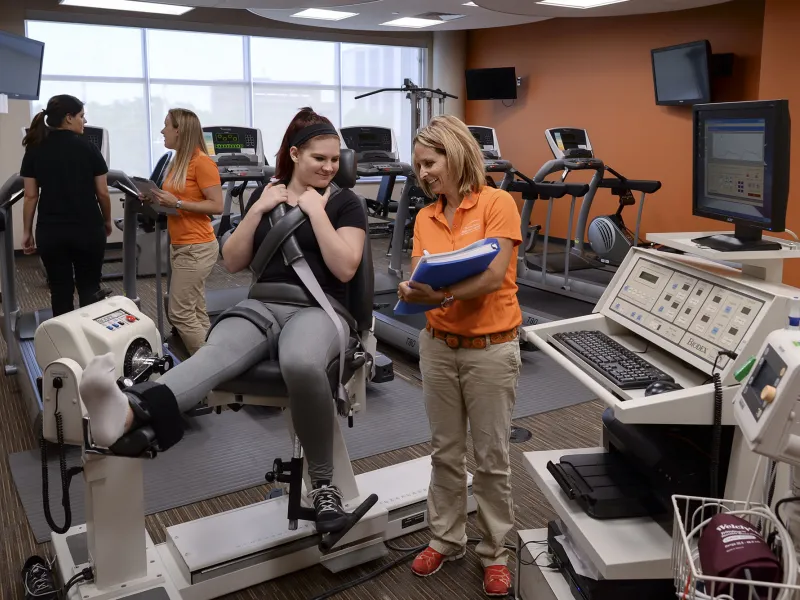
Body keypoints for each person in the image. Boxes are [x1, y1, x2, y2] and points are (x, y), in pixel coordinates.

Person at [77, 107, 368, 533]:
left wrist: (316, 209)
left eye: (332, 159)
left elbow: (345, 268)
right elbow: (232, 262)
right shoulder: (265, 197)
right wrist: (258, 209)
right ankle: (128, 411)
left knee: (302, 363)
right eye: (317, 158)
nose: (327, 166)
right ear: (295, 155)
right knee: (212, 356)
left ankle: (324, 486)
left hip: (319, 308)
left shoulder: (346, 204)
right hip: (262, 305)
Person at [397, 115, 523, 597]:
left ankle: (495, 551)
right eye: (418, 166)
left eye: (429, 163)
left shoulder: (496, 203)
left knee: (491, 457)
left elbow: (493, 276)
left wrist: (442, 296)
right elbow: (416, 277)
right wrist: (414, 289)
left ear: (455, 154)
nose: (423, 173)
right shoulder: (426, 216)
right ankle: (446, 537)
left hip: (490, 349)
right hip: (438, 347)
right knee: (445, 452)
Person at [20, 94, 112, 317]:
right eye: (82, 116)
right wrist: (107, 220)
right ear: (69, 118)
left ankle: (65, 346)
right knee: (90, 288)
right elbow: (102, 191)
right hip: (88, 229)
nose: (85, 121)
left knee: (60, 290)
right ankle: (93, 343)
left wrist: (26, 231)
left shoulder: (35, 149)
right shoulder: (88, 149)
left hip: (51, 232)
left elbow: (30, 196)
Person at [149, 108, 223, 355]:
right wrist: (153, 197)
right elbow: (174, 198)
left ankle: (208, 368)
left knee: (179, 314)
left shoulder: (202, 162)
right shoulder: (178, 160)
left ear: (179, 130)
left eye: (166, 126)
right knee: (196, 311)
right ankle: (216, 359)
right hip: (181, 245)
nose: (162, 131)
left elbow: (217, 206)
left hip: (197, 246)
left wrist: (177, 203)